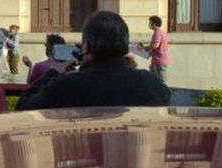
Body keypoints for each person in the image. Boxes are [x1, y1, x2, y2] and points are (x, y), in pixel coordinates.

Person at [16, 11, 171, 110]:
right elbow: (166, 96)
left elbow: (23, 106)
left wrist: (53, 70)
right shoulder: (152, 84)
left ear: (87, 46)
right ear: (124, 45)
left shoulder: (67, 86)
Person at [142, 15, 171, 83]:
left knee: (161, 80)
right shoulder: (159, 32)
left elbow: (156, 45)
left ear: (154, 23)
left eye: (150, 22)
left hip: (160, 60)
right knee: (153, 78)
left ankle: (163, 93)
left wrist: (146, 48)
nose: (149, 24)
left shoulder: (158, 32)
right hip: (156, 59)